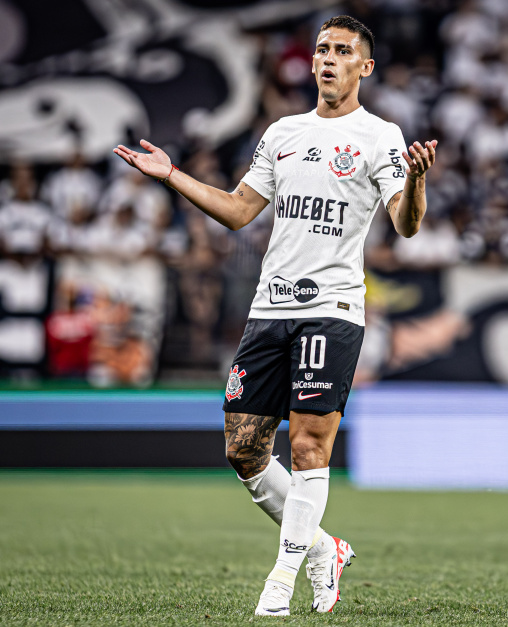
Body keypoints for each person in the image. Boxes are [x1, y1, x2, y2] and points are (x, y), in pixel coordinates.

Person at [114, 15, 438, 615]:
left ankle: (280, 583)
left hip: (333, 308)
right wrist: (173, 176)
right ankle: (323, 550)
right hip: (269, 309)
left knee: (311, 446)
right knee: (243, 451)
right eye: (321, 50)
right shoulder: (283, 131)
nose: (328, 59)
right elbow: (239, 212)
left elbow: (406, 224)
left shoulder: (381, 136)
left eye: (343, 51)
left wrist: (416, 182)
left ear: (365, 67)